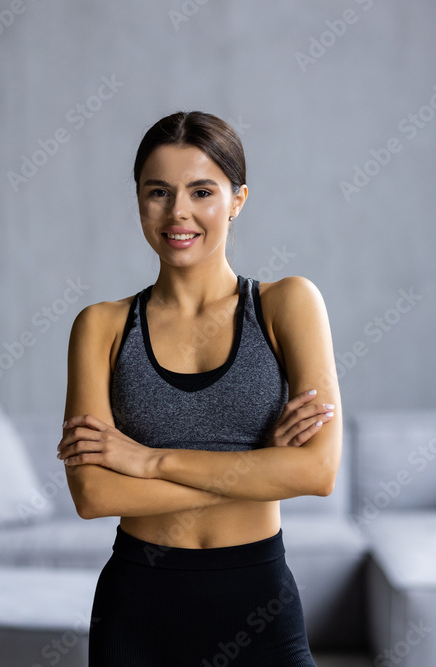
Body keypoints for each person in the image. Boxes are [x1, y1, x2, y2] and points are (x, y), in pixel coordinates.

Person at [57, 110, 342, 666]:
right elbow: (95, 495)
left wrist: (147, 462)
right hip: (137, 608)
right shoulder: (102, 326)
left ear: (237, 199)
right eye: (158, 191)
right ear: (138, 199)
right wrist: (259, 469)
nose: (178, 212)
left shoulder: (288, 304)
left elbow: (318, 472)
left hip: (259, 601)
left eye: (202, 191)